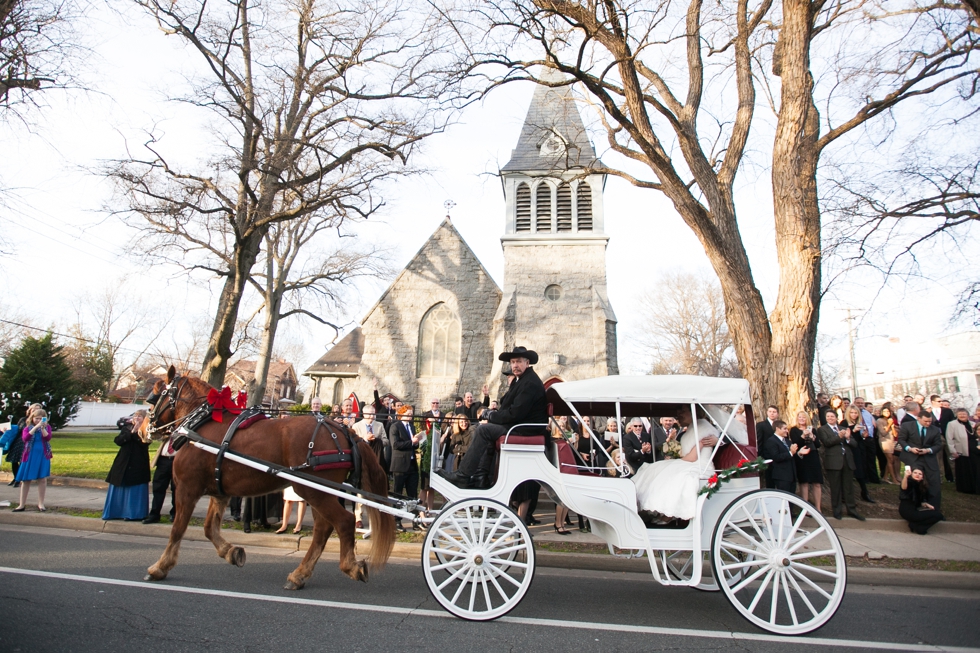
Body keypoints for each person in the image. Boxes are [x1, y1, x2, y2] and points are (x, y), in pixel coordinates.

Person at [437, 346, 548, 489]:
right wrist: (491, 415)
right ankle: (480, 477)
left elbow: (514, 413)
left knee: (484, 431)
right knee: (481, 428)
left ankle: (463, 476)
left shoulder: (530, 383)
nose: (515, 365)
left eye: (519, 362)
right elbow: (507, 404)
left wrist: (491, 415)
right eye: (513, 362)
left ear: (527, 363)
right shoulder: (520, 381)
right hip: (517, 425)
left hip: (524, 429)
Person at [632, 405, 723, 522]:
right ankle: (657, 510)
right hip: (690, 462)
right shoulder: (691, 428)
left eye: (683, 411)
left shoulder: (703, 428)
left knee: (672, 473)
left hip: (699, 465)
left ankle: (668, 515)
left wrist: (675, 461)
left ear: (693, 412)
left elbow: (693, 456)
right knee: (655, 468)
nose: (678, 414)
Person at [102, 411, 151, 521]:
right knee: (119, 485)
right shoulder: (127, 428)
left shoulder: (147, 430)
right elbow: (119, 440)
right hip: (123, 462)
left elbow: (145, 443)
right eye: (136, 416)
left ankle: (134, 514)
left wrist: (138, 431)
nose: (137, 418)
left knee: (135, 486)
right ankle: (116, 512)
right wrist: (132, 431)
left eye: (140, 416)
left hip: (138, 463)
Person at [817, 410, 865, 521]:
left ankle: (852, 510)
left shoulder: (843, 428)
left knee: (848, 487)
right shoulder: (822, 429)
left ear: (836, 417)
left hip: (847, 460)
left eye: (832, 416)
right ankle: (837, 510)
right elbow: (827, 442)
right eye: (828, 416)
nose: (830, 418)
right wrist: (839, 436)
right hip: (833, 461)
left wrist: (848, 438)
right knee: (836, 487)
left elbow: (854, 444)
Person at [898, 410, 943, 509]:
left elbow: (938, 445)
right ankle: (912, 506)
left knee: (933, 482)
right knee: (912, 481)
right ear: (918, 418)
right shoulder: (907, 426)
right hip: (912, 457)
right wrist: (910, 448)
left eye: (929, 421)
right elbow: (901, 439)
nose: (928, 423)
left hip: (928, 459)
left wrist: (928, 450)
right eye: (925, 421)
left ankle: (934, 508)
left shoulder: (934, 429)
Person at [12, 408, 53, 512]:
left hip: (43, 455)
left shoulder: (47, 427)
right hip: (29, 455)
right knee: (26, 480)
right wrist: (35, 428)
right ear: (32, 418)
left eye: (41, 418)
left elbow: (47, 438)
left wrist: (43, 428)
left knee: (42, 479)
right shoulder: (27, 428)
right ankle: (22, 504)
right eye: (36, 418)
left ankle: (41, 504)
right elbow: (25, 438)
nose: (38, 420)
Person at [389, 405, 421, 529]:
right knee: (398, 493)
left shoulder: (412, 426)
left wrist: (416, 443)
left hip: (412, 465)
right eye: (408, 413)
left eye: (411, 413)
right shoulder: (395, 426)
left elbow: (412, 445)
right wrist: (411, 442)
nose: (410, 415)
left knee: (413, 493)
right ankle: (397, 520)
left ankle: (415, 519)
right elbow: (395, 444)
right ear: (402, 414)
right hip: (400, 465)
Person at [842, 405, 876, 504]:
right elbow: (845, 438)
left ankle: (865, 492)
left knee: (861, 470)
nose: (854, 415)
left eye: (856, 413)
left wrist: (863, 435)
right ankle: (846, 495)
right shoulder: (844, 423)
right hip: (849, 451)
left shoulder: (858, 423)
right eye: (852, 413)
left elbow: (858, 438)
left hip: (859, 449)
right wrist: (853, 431)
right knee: (851, 472)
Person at [790, 412, 822, 509]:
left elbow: (818, 445)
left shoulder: (812, 429)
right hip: (802, 458)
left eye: (803, 417)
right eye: (799, 417)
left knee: (816, 483)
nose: (802, 419)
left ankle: (818, 508)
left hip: (813, 456)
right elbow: (795, 444)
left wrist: (812, 436)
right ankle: (806, 508)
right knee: (804, 483)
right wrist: (803, 436)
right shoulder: (794, 430)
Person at [899, 466, 944, 535]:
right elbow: (904, 488)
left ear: (922, 477)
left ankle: (918, 527)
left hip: (914, 510)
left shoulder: (922, 487)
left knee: (938, 515)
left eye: (920, 474)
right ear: (911, 474)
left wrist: (926, 504)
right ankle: (915, 526)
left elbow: (919, 501)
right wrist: (905, 477)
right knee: (938, 515)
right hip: (906, 510)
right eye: (915, 473)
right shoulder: (909, 482)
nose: (917, 475)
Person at [6, 403, 41, 487]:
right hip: (18, 442)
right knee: (14, 461)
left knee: (23, 461)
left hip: (29, 443)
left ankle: (19, 479)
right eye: (34, 409)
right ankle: (15, 478)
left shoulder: (38, 421)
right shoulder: (23, 419)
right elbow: (17, 429)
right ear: (30, 410)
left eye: (37, 409)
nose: (35, 411)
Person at [762, 420, 799, 493]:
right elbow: (776, 457)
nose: (787, 431)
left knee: (791, 499)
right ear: (777, 429)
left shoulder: (787, 441)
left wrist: (799, 453)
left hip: (791, 475)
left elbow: (791, 455)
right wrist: (790, 453)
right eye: (784, 429)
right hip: (781, 476)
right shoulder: (771, 441)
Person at [946, 408, 974, 494]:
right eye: (960, 414)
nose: (962, 415)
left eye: (964, 414)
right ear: (957, 415)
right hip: (960, 451)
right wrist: (953, 451)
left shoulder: (972, 424)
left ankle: (973, 486)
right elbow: (949, 439)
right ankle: (964, 488)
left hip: (972, 451)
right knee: (963, 470)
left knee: (972, 469)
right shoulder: (952, 424)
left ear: (968, 415)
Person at [875, 405, 901, 484]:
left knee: (890, 460)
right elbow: (883, 433)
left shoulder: (890, 420)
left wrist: (893, 426)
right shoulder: (879, 420)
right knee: (890, 459)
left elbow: (895, 434)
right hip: (884, 441)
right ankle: (894, 479)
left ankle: (885, 477)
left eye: (888, 411)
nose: (887, 413)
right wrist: (889, 425)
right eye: (885, 411)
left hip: (892, 440)